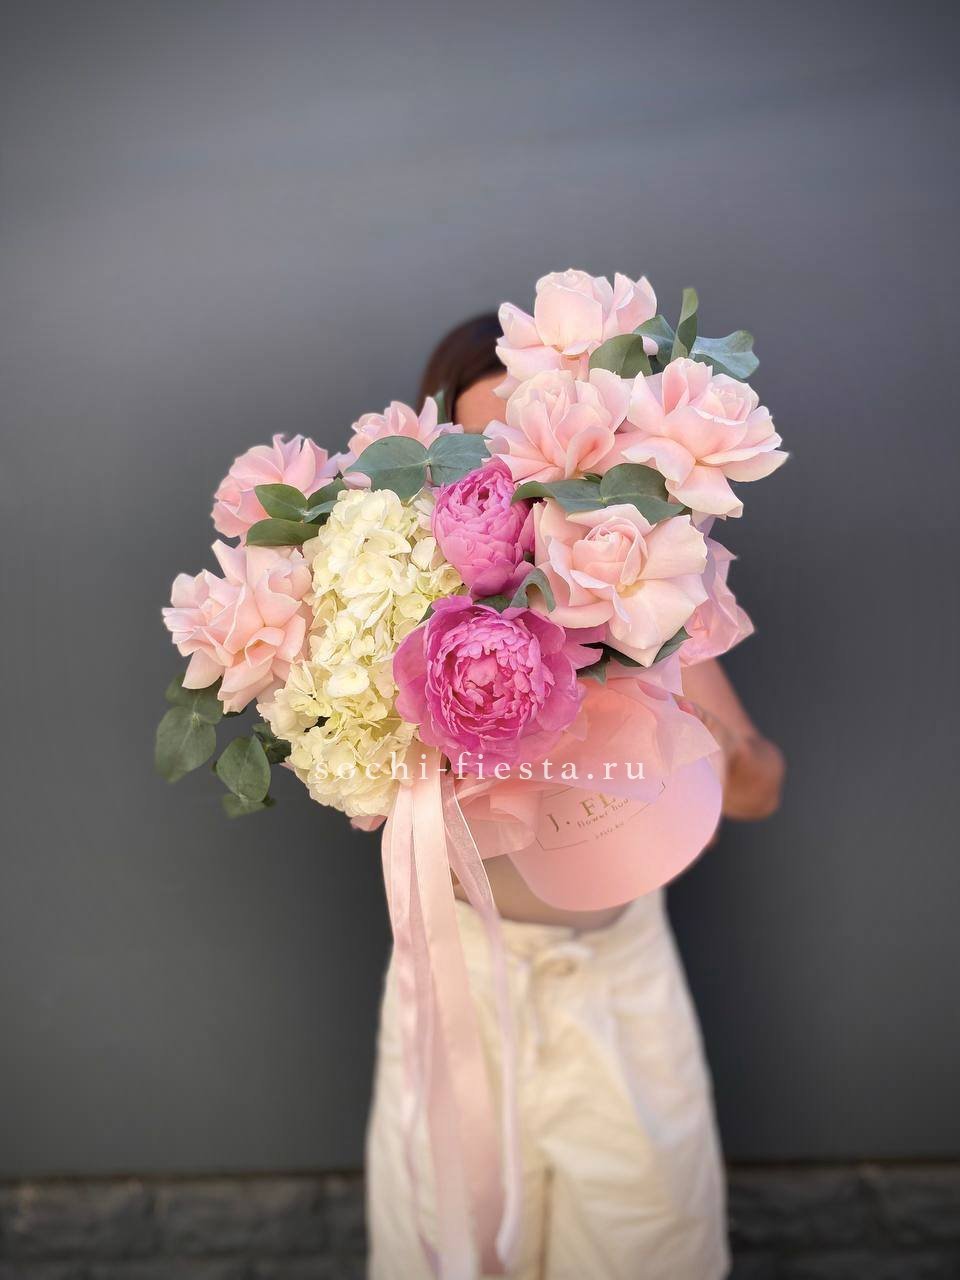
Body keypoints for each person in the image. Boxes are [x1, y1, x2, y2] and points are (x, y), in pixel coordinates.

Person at [365, 313, 786, 1279]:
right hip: (460, 988)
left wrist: (668, 700)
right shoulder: (398, 619)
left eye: (528, 459)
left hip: (618, 987)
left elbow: (755, 789)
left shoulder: (639, 601)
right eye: (480, 460)